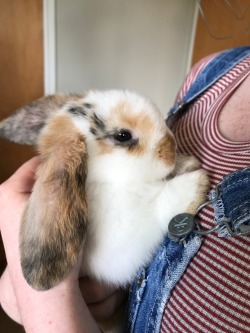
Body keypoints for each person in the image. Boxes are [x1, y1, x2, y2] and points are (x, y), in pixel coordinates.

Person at [0, 46, 250, 332]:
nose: (172, 146)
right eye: (124, 136)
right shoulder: (211, 73)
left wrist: (39, 302)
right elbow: (111, 263)